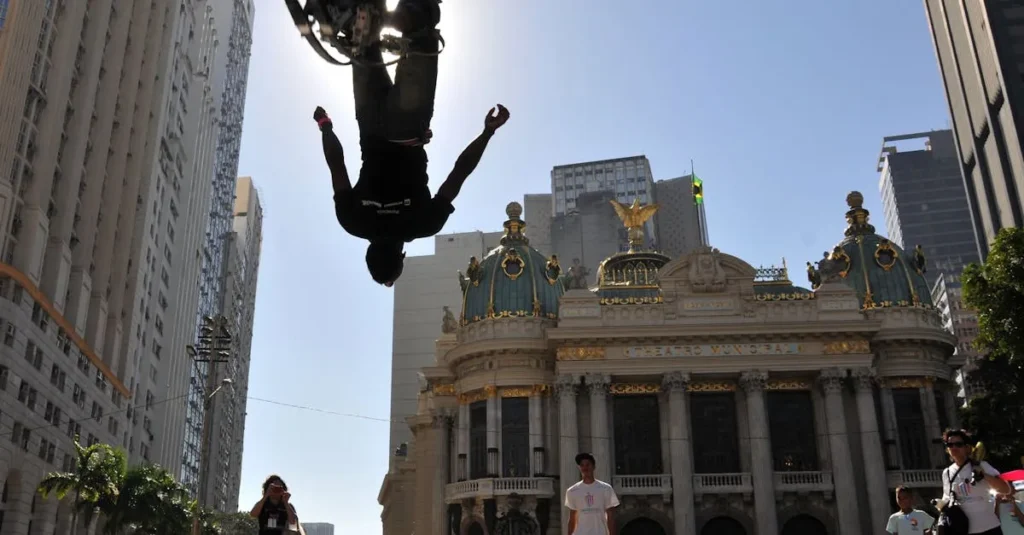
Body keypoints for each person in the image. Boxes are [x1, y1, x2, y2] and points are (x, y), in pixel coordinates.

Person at [314, 0, 510, 287]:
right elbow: (336, 165)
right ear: (369, 252)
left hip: (407, 127)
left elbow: (459, 173)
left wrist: (487, 133)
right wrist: (325, 127)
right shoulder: (352, 221)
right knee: (364, 38)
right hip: (369, 122)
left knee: (422, 28)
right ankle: (356, 20)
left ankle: (403, 19)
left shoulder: (423, 224)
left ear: (402, 255)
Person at [941, 429, 1012, 535]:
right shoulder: (947, 473)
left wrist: (984, 475)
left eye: (958, 444)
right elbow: (946, 500)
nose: (954, 447)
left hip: (990, 528)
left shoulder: (981, 465)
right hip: (965, 530)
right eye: (950, 444)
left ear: (967, 447)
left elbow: (1006, 489)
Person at [564, 453, 620, 535]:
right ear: (580, 468)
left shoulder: (606, 488)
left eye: (588, 465)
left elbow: (611, 516)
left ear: (593, 467)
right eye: (582, 465)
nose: (585, 468)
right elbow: (572, 518)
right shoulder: (572, 491)